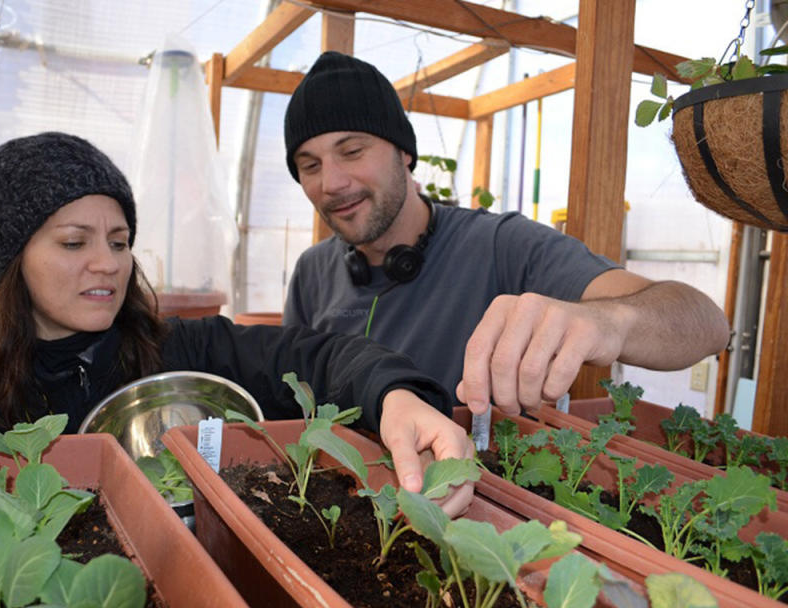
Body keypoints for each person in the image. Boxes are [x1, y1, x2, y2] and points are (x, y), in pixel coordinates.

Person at [0, 131, 472, 515]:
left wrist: (395, 395)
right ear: (11, 261)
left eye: (119, 242)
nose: (108, 263)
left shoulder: (180, 347)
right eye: (74, 242)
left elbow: (318, 356)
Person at [282, 51, 730, 418]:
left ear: (404, 152)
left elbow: (705, 324)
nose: (332, 182)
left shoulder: (500, 247)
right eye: (310, 165)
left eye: (352, 151)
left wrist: (608, 322)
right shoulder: (312, 272)